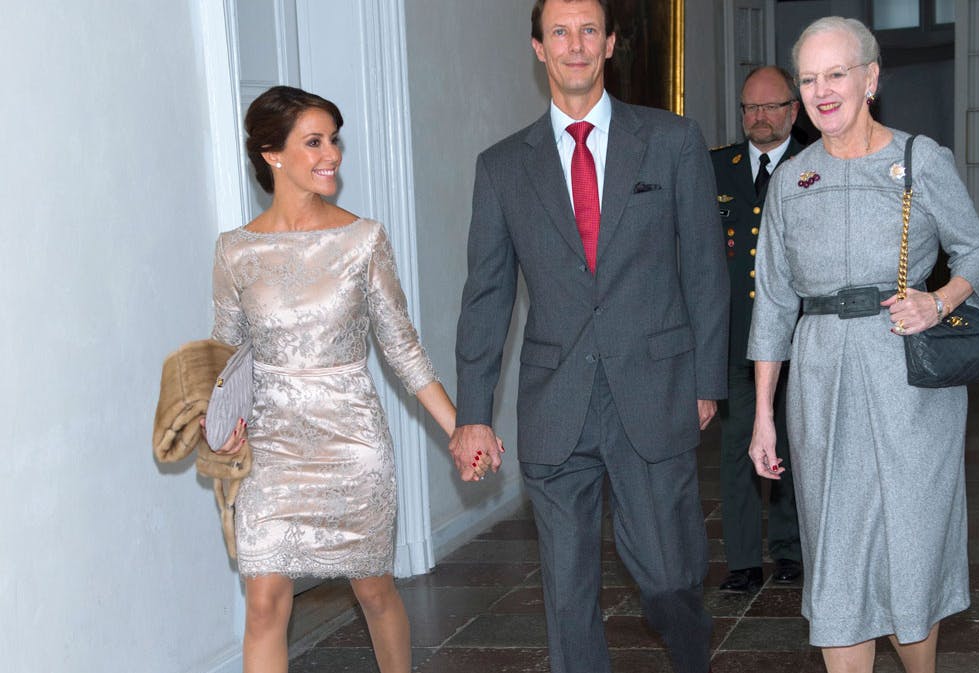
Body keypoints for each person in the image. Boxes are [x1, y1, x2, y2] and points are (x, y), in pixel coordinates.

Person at [450, 1, 729, 672]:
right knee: (567, 595)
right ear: (539, 49)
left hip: (657, 387)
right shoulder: (501, 168)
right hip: (557, 401)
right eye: (559, 32)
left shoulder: (672, 140)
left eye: (588, 30)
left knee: (669, 577)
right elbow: (486, 297)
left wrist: (706, 379)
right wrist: (472, 414)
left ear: (608, 43)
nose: (575, 44)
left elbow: (704, 267)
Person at [745, 17, 979, 673]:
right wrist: (765, 415)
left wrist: (937, 299)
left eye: (836, 74)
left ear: (871, 78)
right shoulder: (792, 181)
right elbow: (772, 299)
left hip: (909, 377)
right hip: (821, 380)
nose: (823, 92)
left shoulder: (920, 159)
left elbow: (978, 248)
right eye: (809, 79)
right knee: (839, 546)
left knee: (910, 543)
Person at [208, 85, 485, 673]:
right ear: (271, 154)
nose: (330, 152)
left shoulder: (363, 239)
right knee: (263, 604)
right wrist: (222, 425)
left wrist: (461, 431)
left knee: (374, 590)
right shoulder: (235, 252)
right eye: (313, 142)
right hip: (271, 448)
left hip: (352, 443)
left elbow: (402, 349)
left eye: (333, 139)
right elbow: (226, 355)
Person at [710, 65, 804, 594]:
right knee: (737, 448)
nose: (759, 117)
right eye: (750, 107)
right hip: (735, 340)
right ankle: (743, 560)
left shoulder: (813, 165)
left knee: (792, 444)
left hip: (796, 337)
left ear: (793, 110)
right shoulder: (715, 169)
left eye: (771, 107)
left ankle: (791, 550)